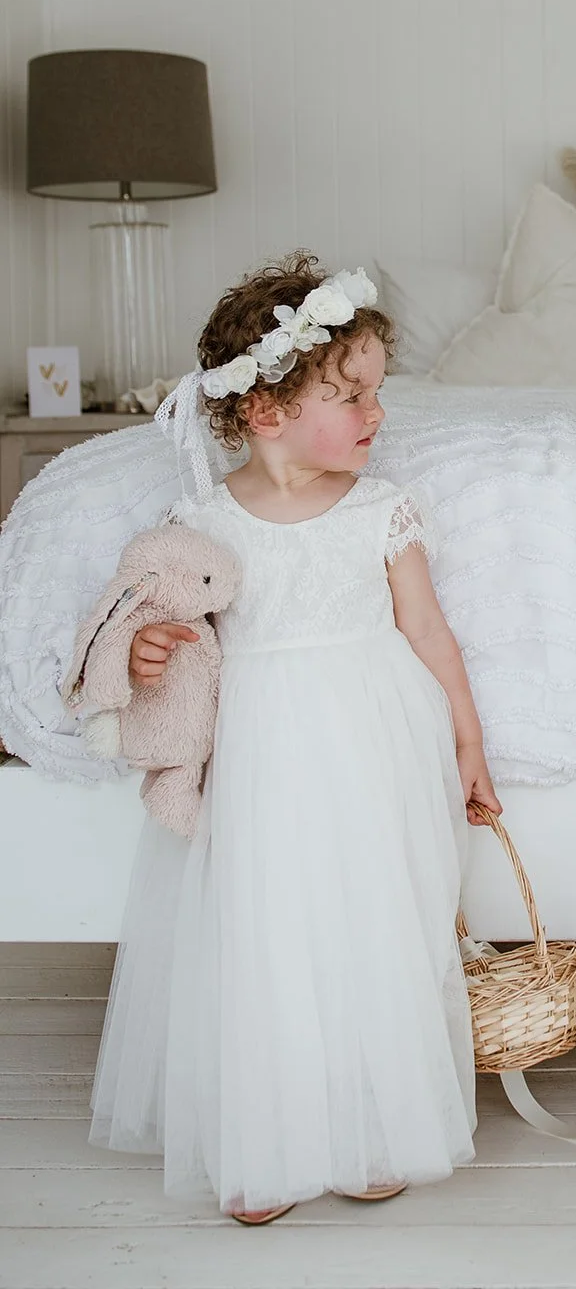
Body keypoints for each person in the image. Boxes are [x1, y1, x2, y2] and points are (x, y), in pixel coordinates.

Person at [89, 252, 500, 1223]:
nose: (374, 415)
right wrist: (148, 650)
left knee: (367, 924)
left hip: (368, 742)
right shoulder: (200, 521)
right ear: (266, 413)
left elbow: (429, 633)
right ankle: (262, 1137)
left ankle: (366, 1123)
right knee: (264, 932)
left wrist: (468, 745)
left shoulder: (377, 511)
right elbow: (174, 635)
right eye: (348, 395)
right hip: (266, 752)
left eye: (375, 395)